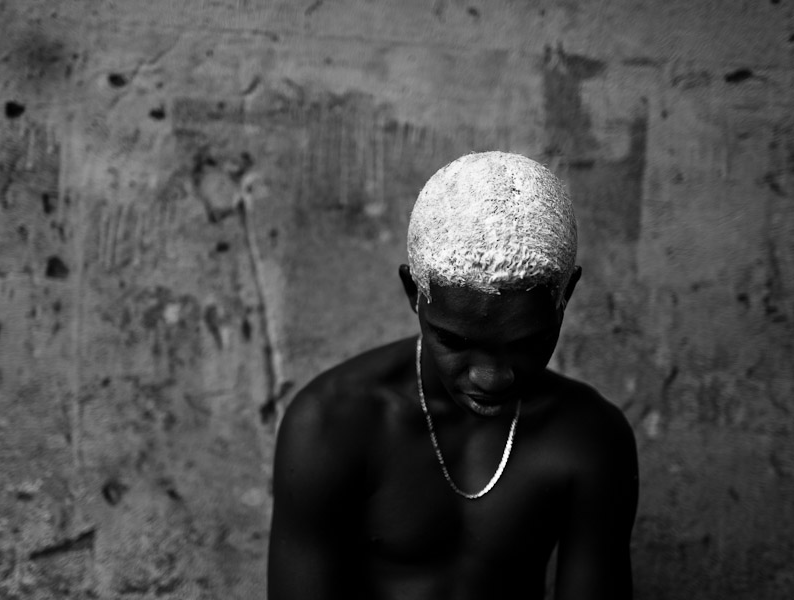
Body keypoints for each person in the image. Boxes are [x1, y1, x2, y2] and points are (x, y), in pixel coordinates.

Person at [267, 151, 639, 600]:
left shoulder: (589, 438)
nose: (492, 377)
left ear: (567, 295)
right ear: (414, 293)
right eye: (456, 342)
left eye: (525, 344)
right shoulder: (331, 424)